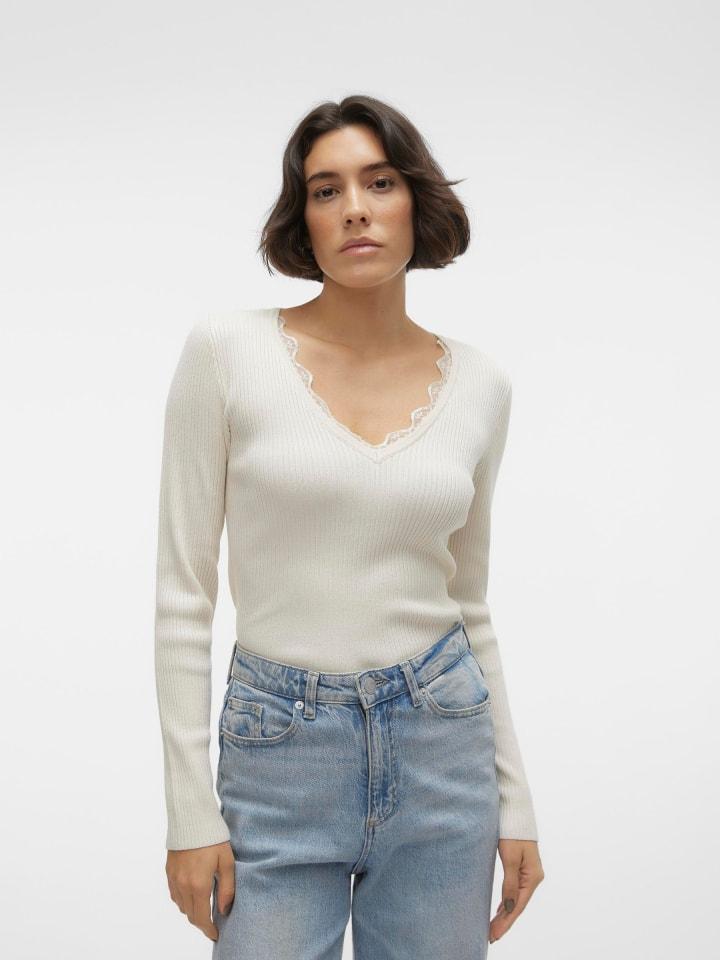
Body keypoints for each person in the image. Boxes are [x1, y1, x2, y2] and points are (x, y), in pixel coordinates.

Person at [154, 94, 544, 959]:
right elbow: (183, 596)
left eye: (380, 182)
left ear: (417, 202)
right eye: (326, 191)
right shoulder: (226, 353)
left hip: (444, 747)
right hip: (279, 754)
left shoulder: (481, 385)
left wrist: (515, 802)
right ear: (304, 219)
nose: (355, 208)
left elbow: (469, 605)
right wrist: (189, 814)